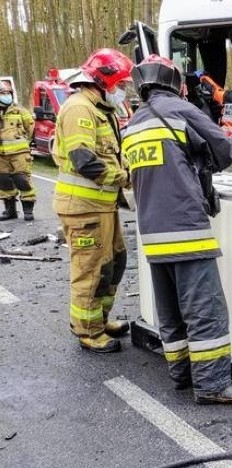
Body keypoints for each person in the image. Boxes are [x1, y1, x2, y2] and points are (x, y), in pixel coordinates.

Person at [122, 55, 232, 404]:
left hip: (152, 233)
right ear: (175, 83)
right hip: (186, 230)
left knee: (171, 311)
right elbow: (226, 152)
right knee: (204, 310)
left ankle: (181, 374)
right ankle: (212, 386)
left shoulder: (134, 123)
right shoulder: (181, 111)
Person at [52, 48, 135, 353]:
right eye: (121, 83)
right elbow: (84, 160)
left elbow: (108, 154)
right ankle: (88, 331)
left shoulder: (99, 109)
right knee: (91, 269)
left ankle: (100, 320)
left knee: (114, 263)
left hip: (102, 206)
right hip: (83, 209)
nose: (123, 89)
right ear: (103, 81)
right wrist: (124, 178)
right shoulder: (79, 109)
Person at [0, 80, 36, 221]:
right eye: (3, 93)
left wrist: (25, 143)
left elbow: (31, 128)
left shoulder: (20, 111)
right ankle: (10, 211)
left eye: (8, 93)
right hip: (1, 156)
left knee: (22, 180)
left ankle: (28, 210)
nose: (6, 95)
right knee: (3, 181)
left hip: (20, 154)